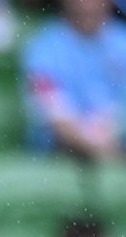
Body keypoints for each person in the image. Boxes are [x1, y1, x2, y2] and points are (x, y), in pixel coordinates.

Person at [21, 0, 126, 159]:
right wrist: (101, 150)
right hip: (60, 156)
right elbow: (55, 116)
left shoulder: (122, 40)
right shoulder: (42, 47)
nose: (87, 5)